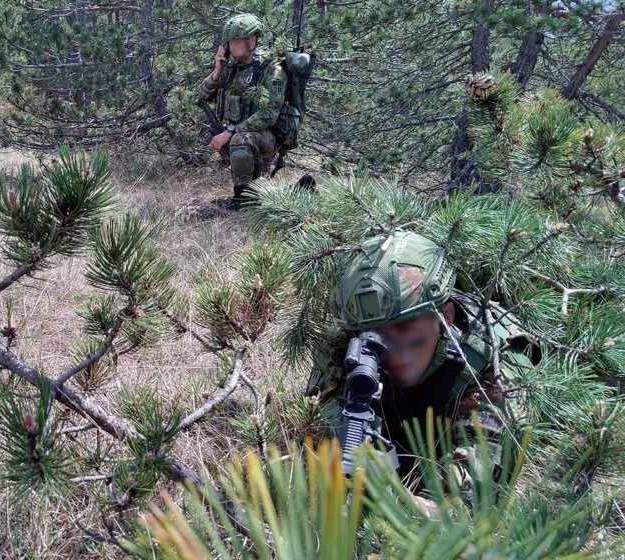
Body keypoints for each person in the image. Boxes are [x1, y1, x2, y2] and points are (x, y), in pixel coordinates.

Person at [307, 231, 538, 501]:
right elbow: (313, 433)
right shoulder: (346, 344)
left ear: (446, 317)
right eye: (374, 332)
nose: (389, 347)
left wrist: (387, 499)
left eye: (404, 328)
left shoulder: (495, 364)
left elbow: (464, 509)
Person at [199, 13, 287, 210]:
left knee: (239, 140)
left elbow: (269, 114)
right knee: (260, 191)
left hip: (269, 135)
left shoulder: (272, 71)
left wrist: (230, 131)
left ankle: (241, 199)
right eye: (230, 43)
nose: (232, 48)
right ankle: (261, 194)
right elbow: (203, 96)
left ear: (252, 40)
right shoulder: (233, 68)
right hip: (245, 133)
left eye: (238, 42)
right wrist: (217, 71)